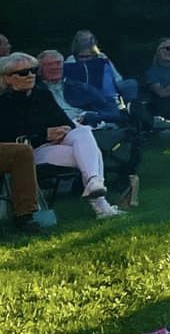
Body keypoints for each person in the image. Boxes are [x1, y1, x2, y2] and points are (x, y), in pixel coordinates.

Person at [0, 51, 122, 218]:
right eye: (22, 73)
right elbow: (8, 136)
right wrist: (44, 135)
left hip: (58, 143)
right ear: (7, 78)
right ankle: (100, 202)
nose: (30, 75)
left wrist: (63, 129)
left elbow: (67, 122)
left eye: (33, 71)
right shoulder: (4, 103)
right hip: (29, 153)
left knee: (82, 132)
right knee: (90, 154)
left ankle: (94, 183)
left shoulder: (42, 94)